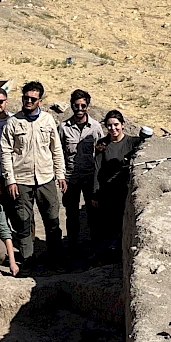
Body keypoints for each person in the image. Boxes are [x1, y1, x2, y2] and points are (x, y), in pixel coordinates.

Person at [0, 80, 66, 268]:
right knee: (23, 221)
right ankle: (28, 259)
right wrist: (10, 180)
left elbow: (56, 149)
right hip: (21, 179)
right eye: (26, 97)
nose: (28, 101)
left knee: (52, 219)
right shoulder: (13, 122)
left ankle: (55, 258)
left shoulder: (48, 120)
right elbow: (6, 152)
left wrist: (60, 174)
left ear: (40, 101)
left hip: (46, 178)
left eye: (33, 98)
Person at [59, 89, 104, 263]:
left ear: (88, 106)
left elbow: (100, 153)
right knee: (71, 215)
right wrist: (60, 176)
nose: (79, 108)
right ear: (71, 105)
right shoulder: (63, 127)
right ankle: (72, 248)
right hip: (70, 178)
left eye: (83, 105)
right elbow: (58, 152)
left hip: (90, 177)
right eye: (76, 105)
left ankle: (95, 249)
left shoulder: (96, 128)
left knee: (93, 214)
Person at [91, 110, 142, 261]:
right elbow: (97, 169)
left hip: (125, 190)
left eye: (116, 125)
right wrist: (95, 193)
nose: (113, 129)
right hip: (107, 192)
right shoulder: (102, 144)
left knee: (123, 223)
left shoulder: (132, 142)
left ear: (123, 125)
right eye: (109, 126)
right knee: (107, 225)